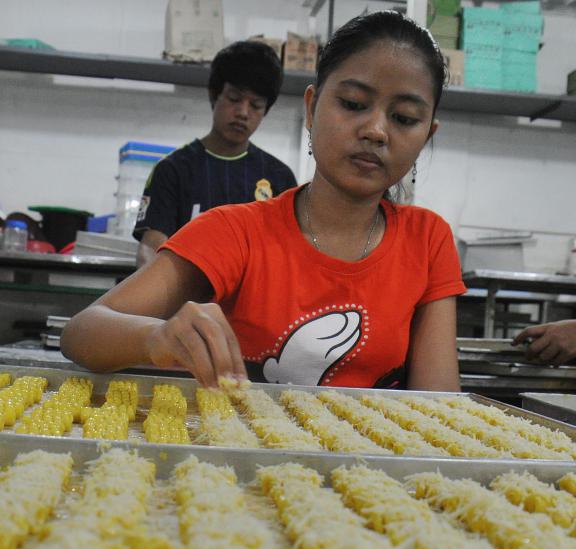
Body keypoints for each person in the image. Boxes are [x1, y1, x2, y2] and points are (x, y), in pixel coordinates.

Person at [62, 11, 466, 391]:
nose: (377, 130)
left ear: (426, 136)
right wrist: (155, 335)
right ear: (311, 108)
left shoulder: (427, 241)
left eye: (404, 118)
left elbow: (437, 408)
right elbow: (82, 332)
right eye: (354, 105)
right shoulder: (236, 232)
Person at [133, 40, 297, 268]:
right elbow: (151, 250)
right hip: (187, 300)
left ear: (265, 111)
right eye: (234, 99)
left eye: (256, 105)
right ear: (214, 95)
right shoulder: (173, 170)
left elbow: (290, 256)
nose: (242, 112)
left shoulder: (279, 178)